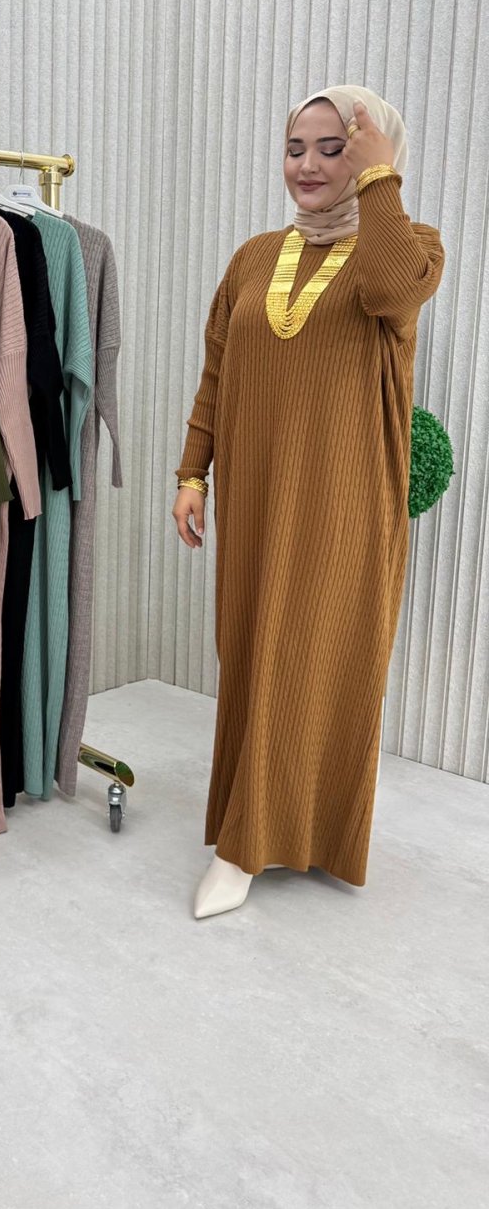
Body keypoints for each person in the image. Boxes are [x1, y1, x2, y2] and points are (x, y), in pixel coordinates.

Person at [173, 85, 445, 919]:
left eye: (336, 147)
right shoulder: (255, 257)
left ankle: (254, 844)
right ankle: (262, 822)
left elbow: (390, 291)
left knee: (316, 661)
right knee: (252, 653)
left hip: (343, 504)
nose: (310, 165)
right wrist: (192, 473)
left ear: (376, 154)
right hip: (257, 499)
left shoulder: (411, 249)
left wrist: (379, 181)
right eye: (297, 147)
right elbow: (218, 370)